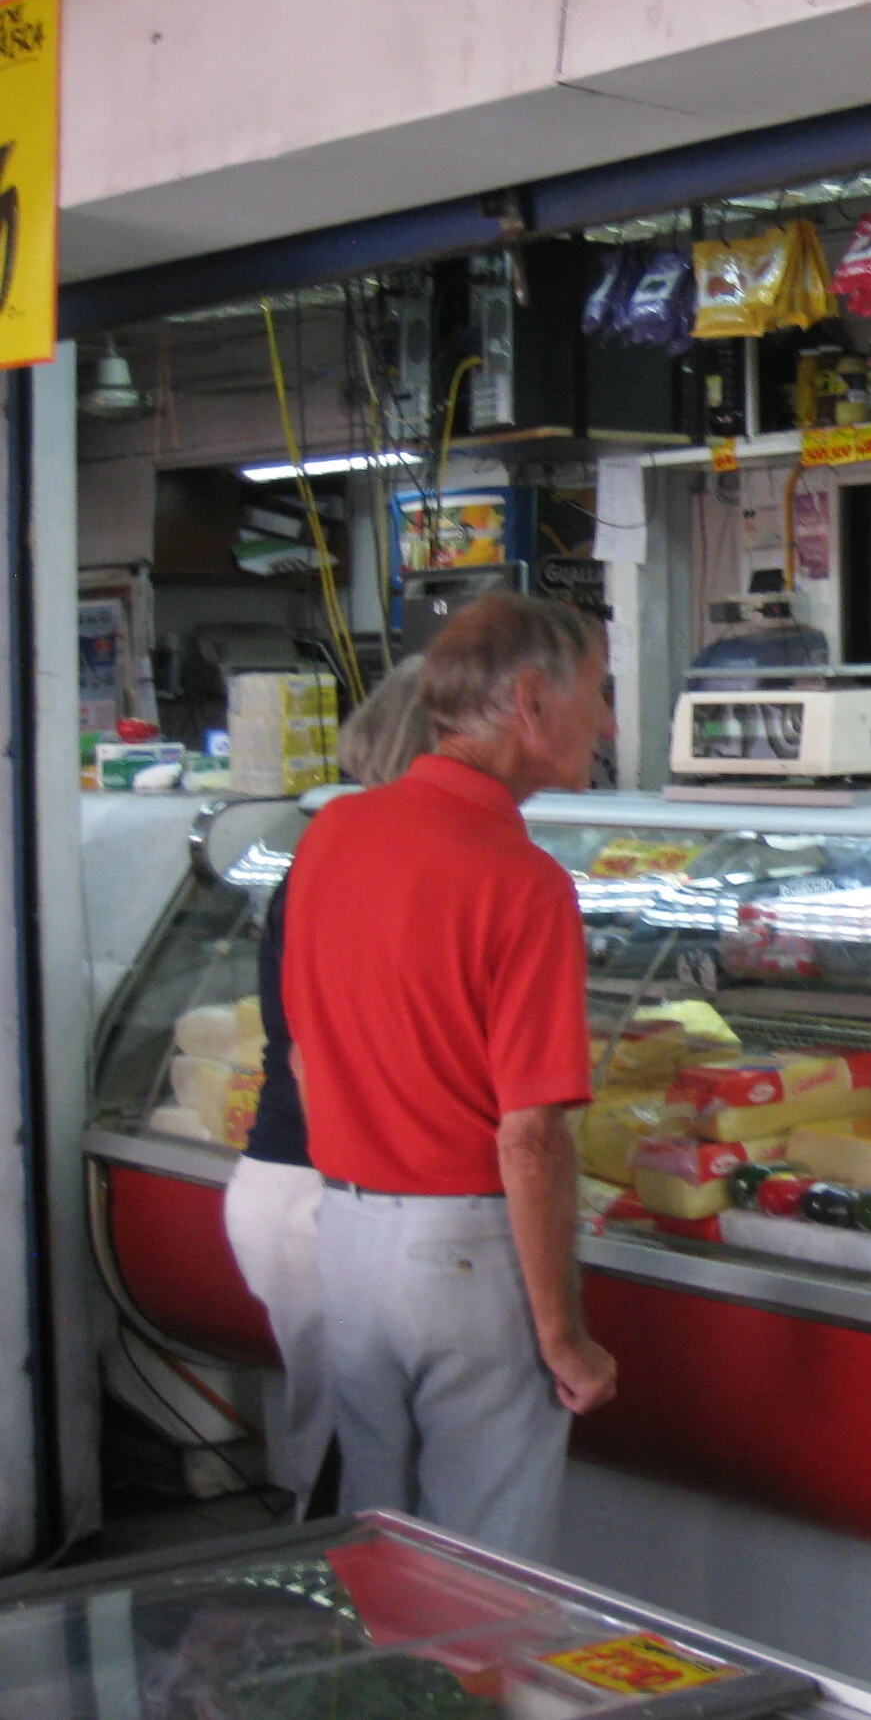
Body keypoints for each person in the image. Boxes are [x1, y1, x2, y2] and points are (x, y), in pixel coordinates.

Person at [285, 596, 617, 1559]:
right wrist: (562, 1334)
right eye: (596, 692)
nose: (607, 722)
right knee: (487, 1565)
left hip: (347, 1235)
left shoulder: (331, 836)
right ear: (527, 700)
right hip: (465, 1252)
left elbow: (308, 1055)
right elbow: (530, 1134)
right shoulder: (520, 879)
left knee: (381, 1540)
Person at [222, 657, 433, 1517]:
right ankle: (345, 1638)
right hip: (320, 1188)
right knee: (353, 1470)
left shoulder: (344, 847)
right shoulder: (362, 857)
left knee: (348, 1453)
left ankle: (361, 1632)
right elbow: (328, 1053)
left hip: (306, 1183)